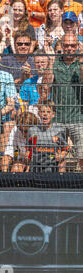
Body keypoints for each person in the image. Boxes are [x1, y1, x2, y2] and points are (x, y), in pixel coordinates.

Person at [47, 33, 83, 171]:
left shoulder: (81, 62)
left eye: (73, 46)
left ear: (77, 46)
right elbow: (46, 85)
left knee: (82, 155)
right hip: (58, 118)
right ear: (61, 46)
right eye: (66, 45)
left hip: (78, 118)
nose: (69, 48)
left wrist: (80, 61)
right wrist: (50, 62)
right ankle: (57, 183)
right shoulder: (55, 62)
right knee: (57, 156)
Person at [26, 101, 69, 173]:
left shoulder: (59, 130)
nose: (45, 114)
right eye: (42, 112)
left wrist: (61, 155)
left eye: (48, 112)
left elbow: (65, 148)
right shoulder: (32, 130)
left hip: (52, 166)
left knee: (62, 163)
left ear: (53, 114)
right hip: (36, 166)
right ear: (39, 113)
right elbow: (28, 149)